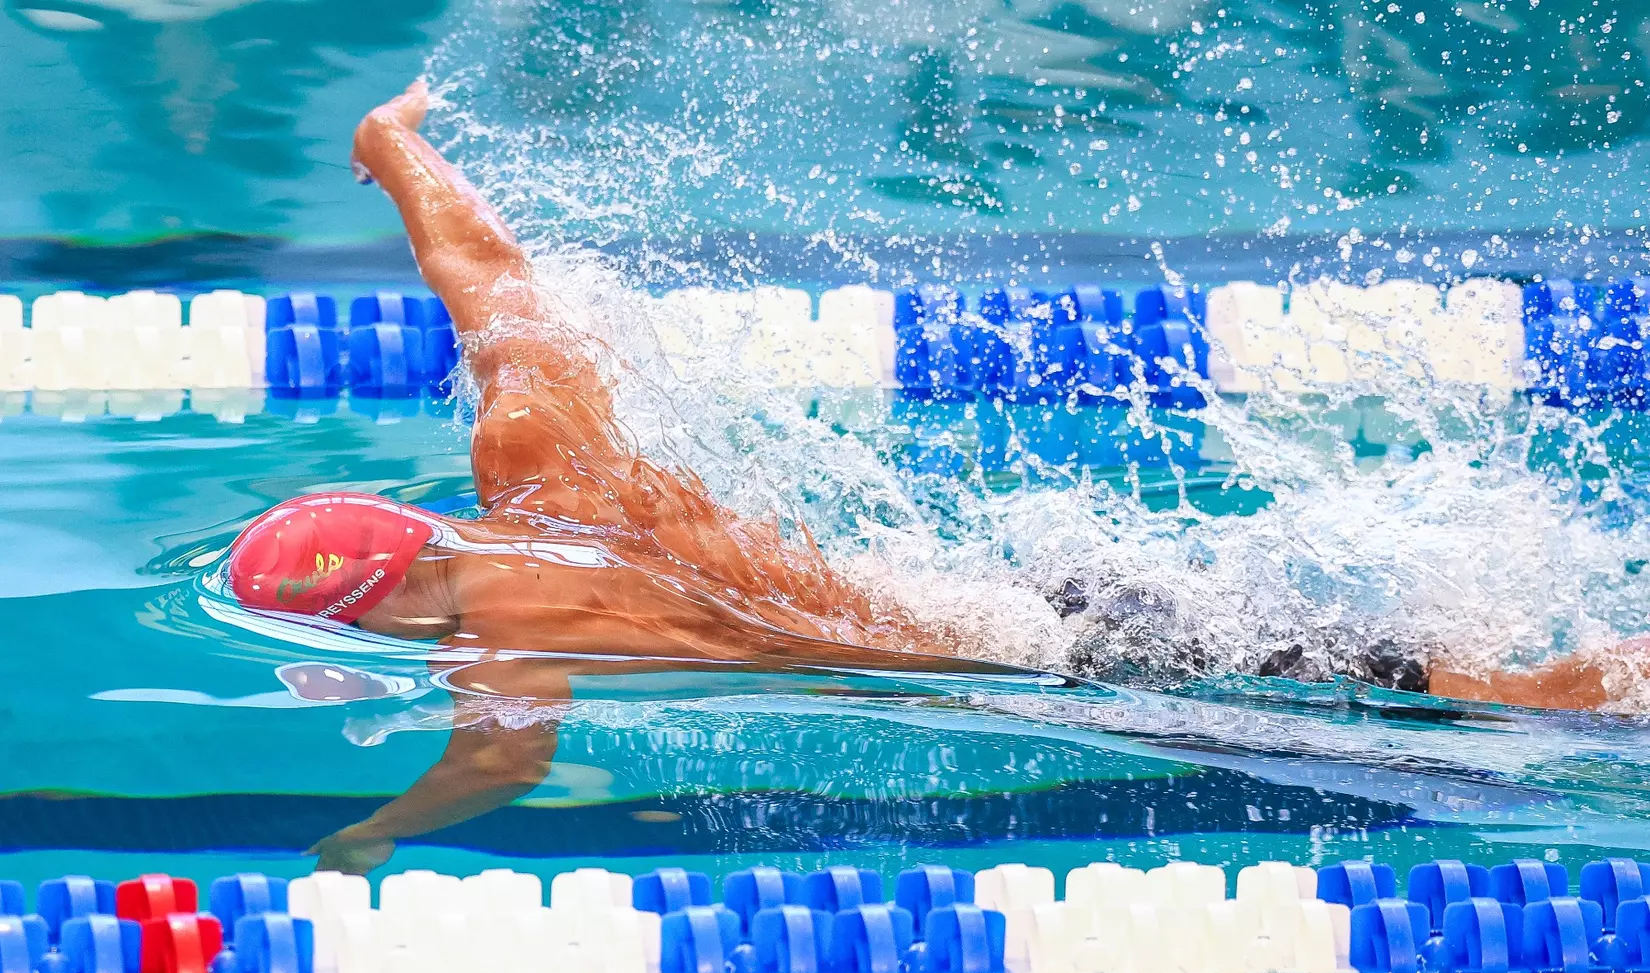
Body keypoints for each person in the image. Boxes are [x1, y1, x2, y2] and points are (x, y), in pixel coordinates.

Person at [229, 83, 1638, 871]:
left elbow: (497, 768)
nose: (369, 647)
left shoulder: (506, 645)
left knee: (1516, 711)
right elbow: (489, 283)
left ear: (401, 580)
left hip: (1079, 674)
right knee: (1440, 660)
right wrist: (394, 145)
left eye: (354, 630)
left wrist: (370, 833)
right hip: (1024, 595)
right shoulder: (542, 468)